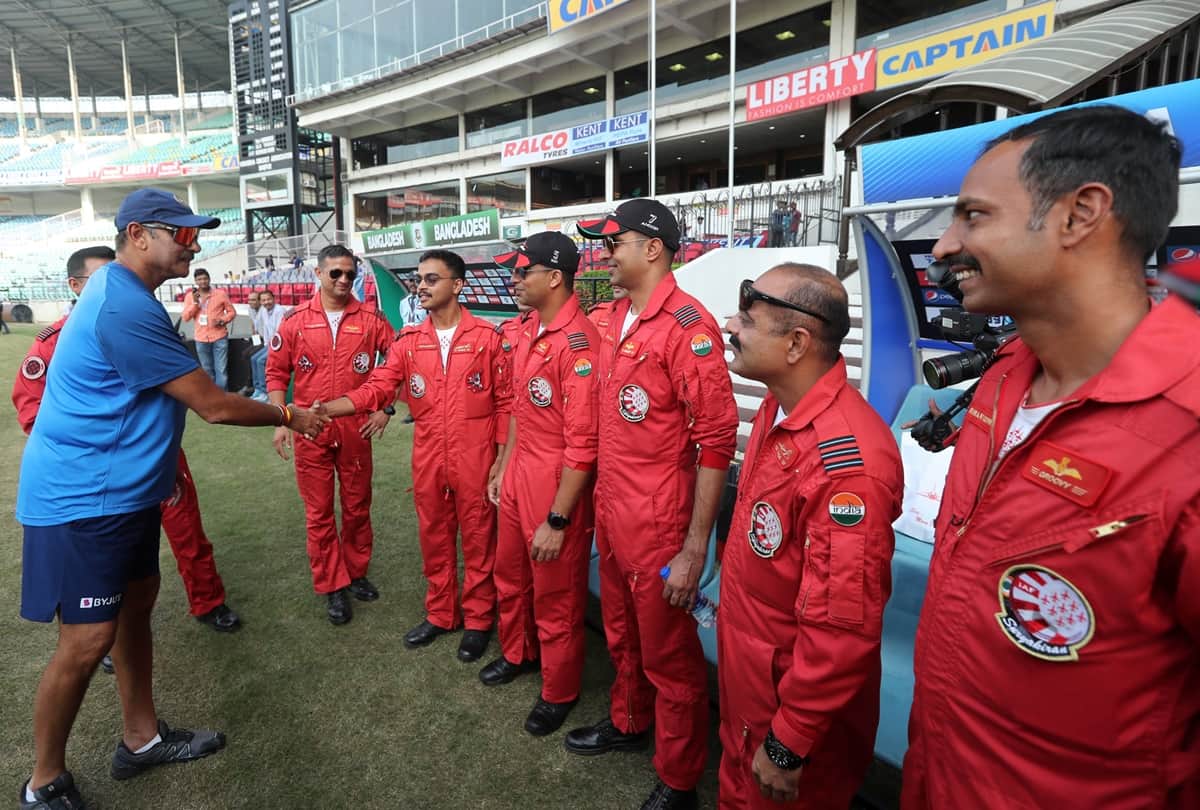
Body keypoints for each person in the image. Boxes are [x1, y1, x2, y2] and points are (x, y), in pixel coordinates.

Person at [904, 106, 1200, 808]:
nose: (944, 246)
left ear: (1080, 215)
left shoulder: (1186, 435)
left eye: (972, 216)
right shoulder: (1005, 376)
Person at [14, 188, 325, 810]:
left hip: (123, 493)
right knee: (86, 639)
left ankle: (141, 739)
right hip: (86, 499)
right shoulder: (122, 305)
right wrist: (291, 413)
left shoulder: (125, 295)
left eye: (194, 234)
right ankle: (43, 782)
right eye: (181, 234)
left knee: (134, 610)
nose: (195, 243)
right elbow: (210, 404)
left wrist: (158, 470)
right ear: (138, 235)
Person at [568, 199, 738, 810]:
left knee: (670, 656)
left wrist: (696, 547)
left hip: (661, 521)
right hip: (615, 513)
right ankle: (630, 719)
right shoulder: (613, 318)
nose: (605, 253)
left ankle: (678, 777)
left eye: (614, 242)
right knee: (621, 633)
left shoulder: (688, 326)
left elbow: (717, 440)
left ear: (653, 248)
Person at [720, 264, 902, 807]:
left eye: (748, 320)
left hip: (787, 698)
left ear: (797, 344)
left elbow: (841, 628)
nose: (731, 325)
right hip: (751, 672)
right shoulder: (783, 405)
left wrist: (788, 742)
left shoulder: (847, 467)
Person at [12, 244, 243, 639]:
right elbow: (33, 412)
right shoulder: (54, 342)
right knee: (105, 563)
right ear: (75, 285)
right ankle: (102, 629)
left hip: (159, 455)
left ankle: (208, 600)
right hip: (100, 472)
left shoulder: (140, 320)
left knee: (186, 530)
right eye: (100, 277)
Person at [317, 249, 511, 661]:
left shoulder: (487, 339)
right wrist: (332, 407)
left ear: (457, 286)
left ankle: (477, 620)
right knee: (434, 538)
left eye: (431, 279)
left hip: (475, 457)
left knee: (479, 540)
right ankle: (442, 613)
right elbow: (379, 387)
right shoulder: (409, 341)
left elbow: (506, 404)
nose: (420, 286)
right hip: (429, 458)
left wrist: (499, 459)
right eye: (419, 279)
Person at [484, 233, 598, 737]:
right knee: (509, 573)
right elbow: (519, 409)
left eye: (522, 271)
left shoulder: (578, 344)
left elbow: (582, 444)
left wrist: (558, 517)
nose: (513, 279)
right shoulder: (530, 329)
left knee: (556, 593)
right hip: (521, 470)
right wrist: (504, 465)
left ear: (554, 278)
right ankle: (518, 652)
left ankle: (558, 690)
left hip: (555, 479)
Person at [266, 244, 395, 626]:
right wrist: (281, 419)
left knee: (357, 507)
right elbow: (276, 373)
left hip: (356, 430)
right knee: (319, 513)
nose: (343, 280)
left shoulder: (371, 319)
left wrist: (385, 409)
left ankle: (355, 572)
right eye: (335, 273)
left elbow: (397, 363)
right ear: (318, 274)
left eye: (350, 274)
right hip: (310, 431)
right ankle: (332, 585)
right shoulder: (294, 321)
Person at [181, 267, 234, 390]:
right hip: (201, 338)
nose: (202, 281)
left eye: (205, 278)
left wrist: (223, 320)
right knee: (207, 370)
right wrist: (195, 303)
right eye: (199, 279)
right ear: (195, 281)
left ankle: (222, 398)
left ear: (209, 279)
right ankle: (213, 397)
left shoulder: (220, 294)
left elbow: (231, 312)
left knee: (221, 370)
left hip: (219, 336)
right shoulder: (190, 296)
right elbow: (185, 317)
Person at [250, 289, 286, 401]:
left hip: (280, 344)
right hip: (270, 343)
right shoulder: (264, 311)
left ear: (274, 298)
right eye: (264, 300)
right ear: (260, 302)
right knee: (253, 358)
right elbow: (265, 328)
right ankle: (258, 389)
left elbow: (280, 332)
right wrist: (266, 344)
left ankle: (265, 393)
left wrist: (271, 346)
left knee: (261, 361)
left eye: (269, 299)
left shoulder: (280, 310)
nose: (266, 302)